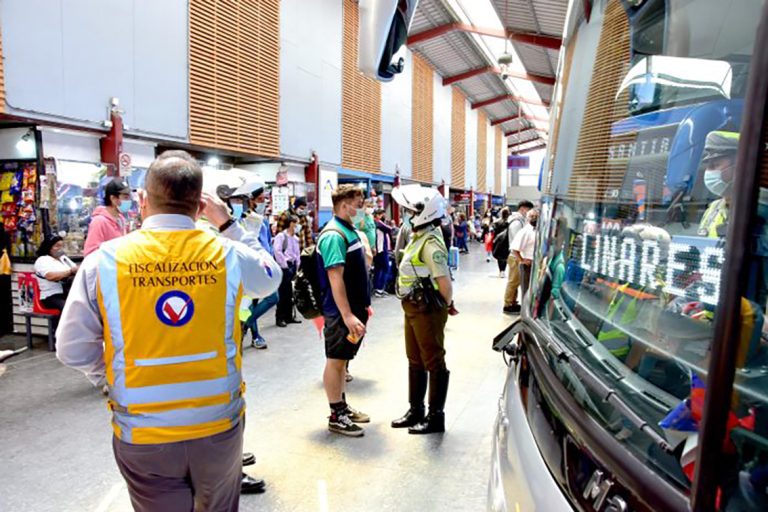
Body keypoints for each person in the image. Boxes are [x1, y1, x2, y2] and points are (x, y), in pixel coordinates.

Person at [55, 150, 282, 510]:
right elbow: (271, 277)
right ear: (200, 205)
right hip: (217, 425)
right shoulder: (228, 254)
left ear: (142, 200)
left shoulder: (104, 261)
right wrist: (227, 224)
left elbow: (71, 348)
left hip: (142, 432)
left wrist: (110, 377)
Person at [391, 184, 457, 435]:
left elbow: (445, 283)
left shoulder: (431, 244)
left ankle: (435, 417)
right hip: (412, 305)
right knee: (415, 359)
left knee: (433, 360)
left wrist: (444, 306)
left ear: (424, 213)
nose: (408, 215)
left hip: (426, 308)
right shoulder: (419, 237)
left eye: (411, 211)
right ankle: (415, 410)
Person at [316, 184, 371, 437]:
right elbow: (335, 277)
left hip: (353, 309)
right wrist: (347, 315)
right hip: (339, 312)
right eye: (359, 204)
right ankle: (336, 415)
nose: (362, 209)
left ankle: (342, 406)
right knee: (336, 361)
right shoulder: (333, 235)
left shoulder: (349, 230)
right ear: (344, 205)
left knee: (343, 361)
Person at [238, 180, 279, 349]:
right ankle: (254, 334)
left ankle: (245, 325)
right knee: (256, 301)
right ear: (251, 200)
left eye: (265, 199)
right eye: (261, 199)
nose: (264, 202)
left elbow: (268, 243)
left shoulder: (263, 220)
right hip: (252, 264)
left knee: (269, 298)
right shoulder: (245, 220)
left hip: (267, 264)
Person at [698, 131, 739, 238]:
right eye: (708, 166)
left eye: (715, 165)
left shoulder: (761, 209)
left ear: (738, 168)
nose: (709, 171)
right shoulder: (714, 208)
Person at [83, 178, 131, 256]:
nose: (129, 201)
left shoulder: (121, 220)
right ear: (113, 198)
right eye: (125, 198)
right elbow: (90, 254)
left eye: (129, 197)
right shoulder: (99, 222)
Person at [502, 201, 534, 312]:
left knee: (516, 281)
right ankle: (507, 304)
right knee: (513, 281)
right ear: (523, 209)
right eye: (529, 211)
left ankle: (513, 302)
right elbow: (516, 243)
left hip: (516, 256)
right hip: (515, 256)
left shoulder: (519, 221)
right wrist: (521, 258)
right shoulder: (516, 222)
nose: (530, 214)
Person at [34, 235, 78, 311]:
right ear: (48, 247)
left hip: (68, 293)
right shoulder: (42, 260)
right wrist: (70, 271)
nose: (60, 249)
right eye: (57, 246)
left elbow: (76, 268)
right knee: (68, 309)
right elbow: (50, 276)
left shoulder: (64, 259)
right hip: (51, 296)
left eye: (62, 246)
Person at [273, 214, 301, 327]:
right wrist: (285, 265)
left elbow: (297, 254)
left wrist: (297, 266)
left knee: (290, 293)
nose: (298, 225)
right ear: (290, 224)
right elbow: (277, 251)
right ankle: (280, 317)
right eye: (296, 223)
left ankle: (289, 317)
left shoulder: (296, 238)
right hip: (284, 266)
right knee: (283, 293)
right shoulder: (281, 236)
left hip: (293, 266)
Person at [510, 209, 539, 300]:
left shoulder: (538, 231)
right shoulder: (525, 231)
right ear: (527, 218)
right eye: (532, 216)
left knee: (534, 291)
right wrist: (522, 260)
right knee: (526, 290)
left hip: (536, 265)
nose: (534, 218)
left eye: (536, 216)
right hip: (527, 265)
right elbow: (514, 249)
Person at [373, 208, 393, 297]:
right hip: (381, 249)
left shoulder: (375, 223)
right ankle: (380, 289)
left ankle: (377, 288)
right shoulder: (378, 223)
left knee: (378, 269)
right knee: (385, 268)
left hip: (378, 249)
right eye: (381, 214)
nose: (382, 216)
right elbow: (389, 229)